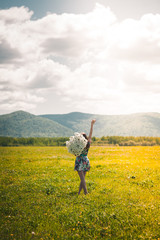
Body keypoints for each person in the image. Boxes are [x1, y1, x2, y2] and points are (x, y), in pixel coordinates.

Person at [74, 119, 96, 195]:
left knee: (82, 178)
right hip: (86, 160)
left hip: (79, 160)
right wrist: (92, 124)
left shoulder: (78, 145)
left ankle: (86, 192)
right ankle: (79, 192)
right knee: (82, 179)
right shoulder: (88, 143)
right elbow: (91, 133)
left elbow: (75, 154)